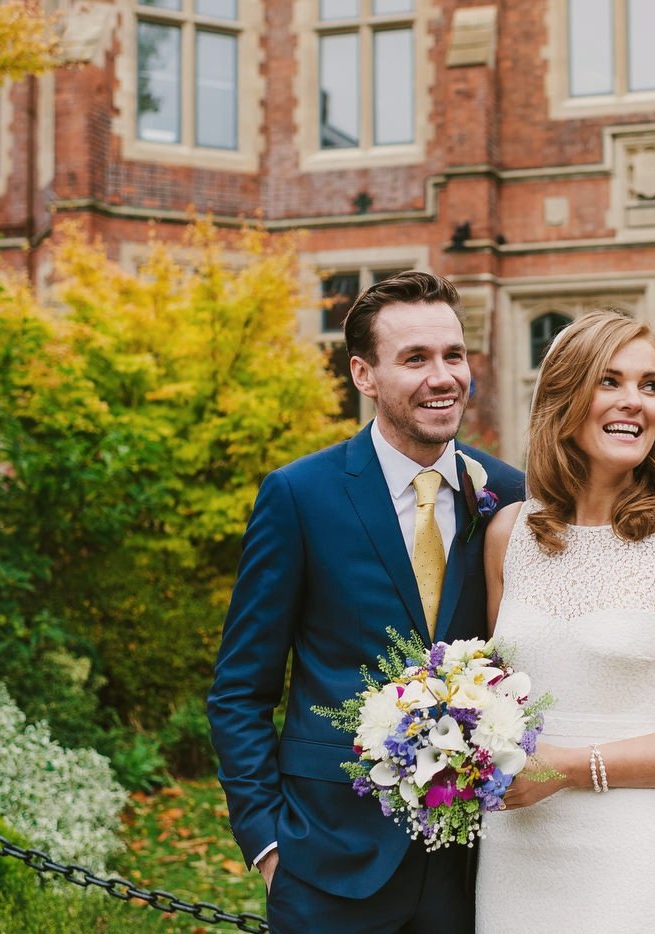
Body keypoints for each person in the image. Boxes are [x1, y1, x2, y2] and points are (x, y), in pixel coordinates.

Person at [206, 270, 526, 933]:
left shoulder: (507, 495)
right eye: (415, 359)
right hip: (326, 863)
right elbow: (240, 689)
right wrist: (269, 846)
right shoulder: (300, 496)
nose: (443, 377)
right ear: (364, 374)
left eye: (453, 355)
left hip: (472, 869)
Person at [475, 309, 655, 934]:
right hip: (516, 851)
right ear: (563, 396)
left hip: (634, 851)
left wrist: (567, 768)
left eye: (651, 385)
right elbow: (489, 696)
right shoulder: (507, 535)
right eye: (609, 381)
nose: (634, 401)